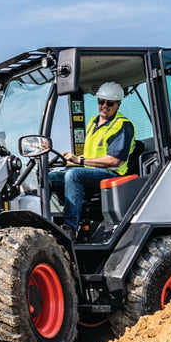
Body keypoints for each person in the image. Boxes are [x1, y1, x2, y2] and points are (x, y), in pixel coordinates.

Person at [47, 81, 135, 239]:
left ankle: (70, 227)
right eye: (101, 101)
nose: (104, 106)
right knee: (51, 177)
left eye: (110, 103)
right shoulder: (93, 122)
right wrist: (61, 161)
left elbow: (114, 161)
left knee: (73, 174)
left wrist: (79, 162)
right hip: (89, 172)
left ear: (118, 104)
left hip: (112, 174)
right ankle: (49, 222)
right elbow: (87, 157)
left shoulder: (122, 125)